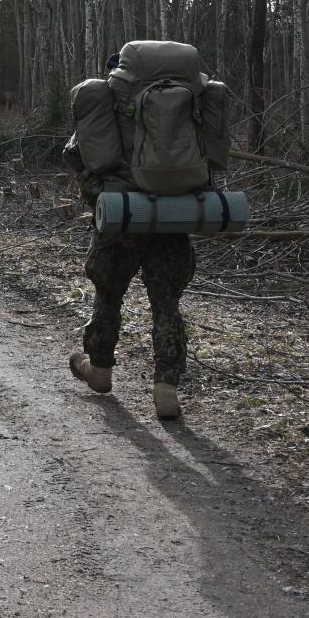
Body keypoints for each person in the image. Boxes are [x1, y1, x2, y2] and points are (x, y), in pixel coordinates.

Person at [65, 51, 195, 421]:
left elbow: (76, 157)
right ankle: (166, 387)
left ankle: (100, 370)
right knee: (166, 303)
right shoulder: (182, 98)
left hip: (122, 213)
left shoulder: (107, 104)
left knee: (108, 297)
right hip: (173, 211)